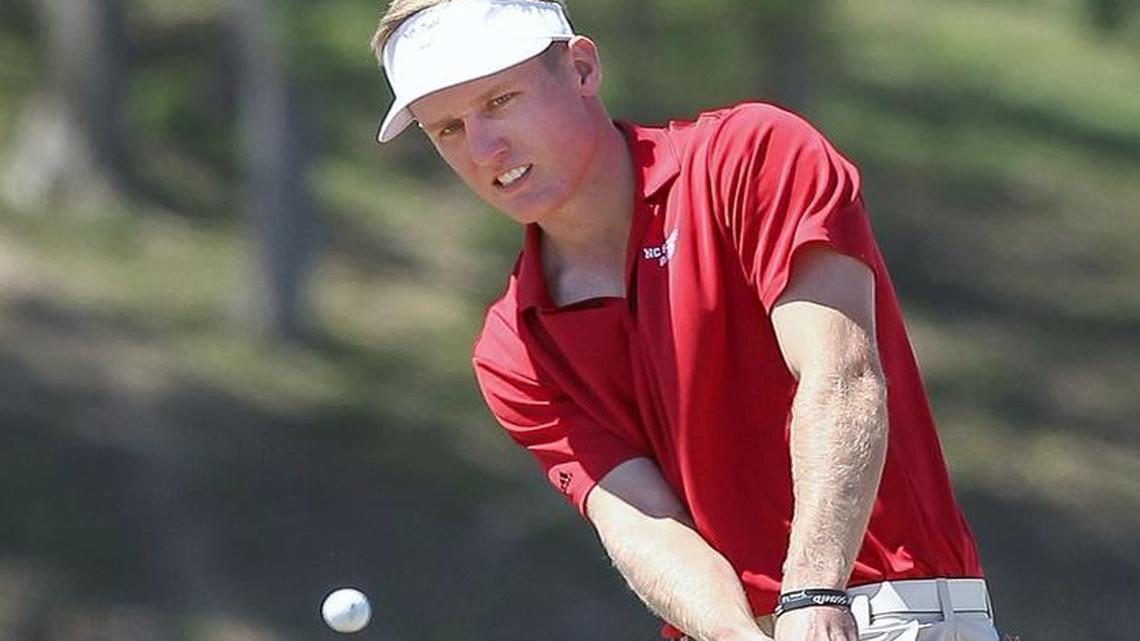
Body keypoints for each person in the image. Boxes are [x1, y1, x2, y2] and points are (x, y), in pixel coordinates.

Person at [370, 1, 1001, 640]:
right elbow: (643, 523)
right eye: (448, 129)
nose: (484, 148)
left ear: (582, 69)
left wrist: (812, 593)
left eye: (501, 101)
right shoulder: (513, 350)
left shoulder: (751, 155)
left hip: (881, 608)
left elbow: (841, 377)